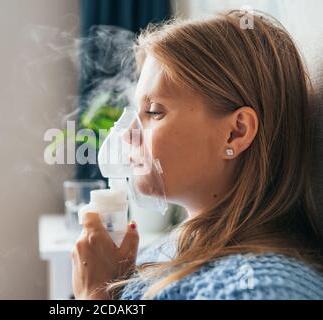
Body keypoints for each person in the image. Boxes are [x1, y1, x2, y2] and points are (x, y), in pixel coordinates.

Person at [70, 10, 323, 300]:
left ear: (236, 133)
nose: (128, 134)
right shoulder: (168, 250)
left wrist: (94, 294)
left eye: (154, 112)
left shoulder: (261, 289)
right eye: (136, 112)